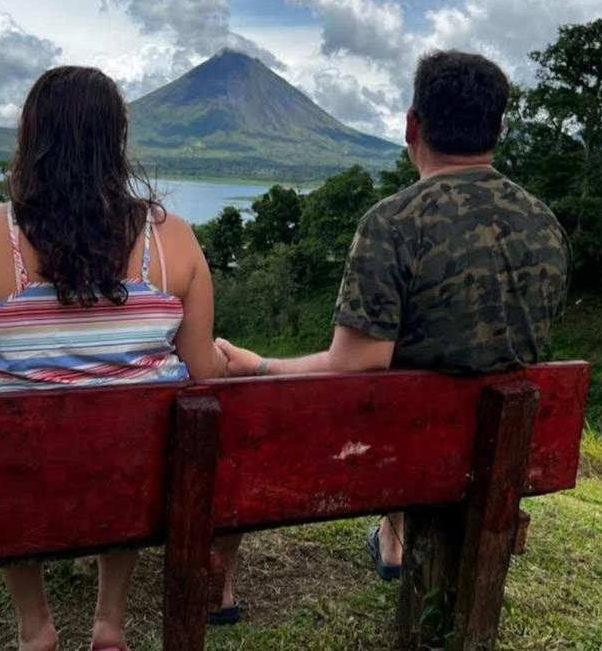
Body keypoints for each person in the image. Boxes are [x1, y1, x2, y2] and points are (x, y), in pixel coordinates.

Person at [217, 50, 570, 581]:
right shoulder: (545, 223)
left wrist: (260, 367)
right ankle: (397, 537)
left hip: (405, 454)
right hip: (508, 453)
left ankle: (394, 537)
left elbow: (357, 364)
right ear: (498, 128)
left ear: (412, 125)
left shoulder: (393, 222)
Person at [0, 66, 231, 651]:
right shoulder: (172, 238)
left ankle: (35, 627)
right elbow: (203, 371)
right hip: (141, 477)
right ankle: (109, 623)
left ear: (30, 137)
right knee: (129, 436)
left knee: (6, 441)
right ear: (116, 141)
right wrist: (234, 360)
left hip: (24, 478)